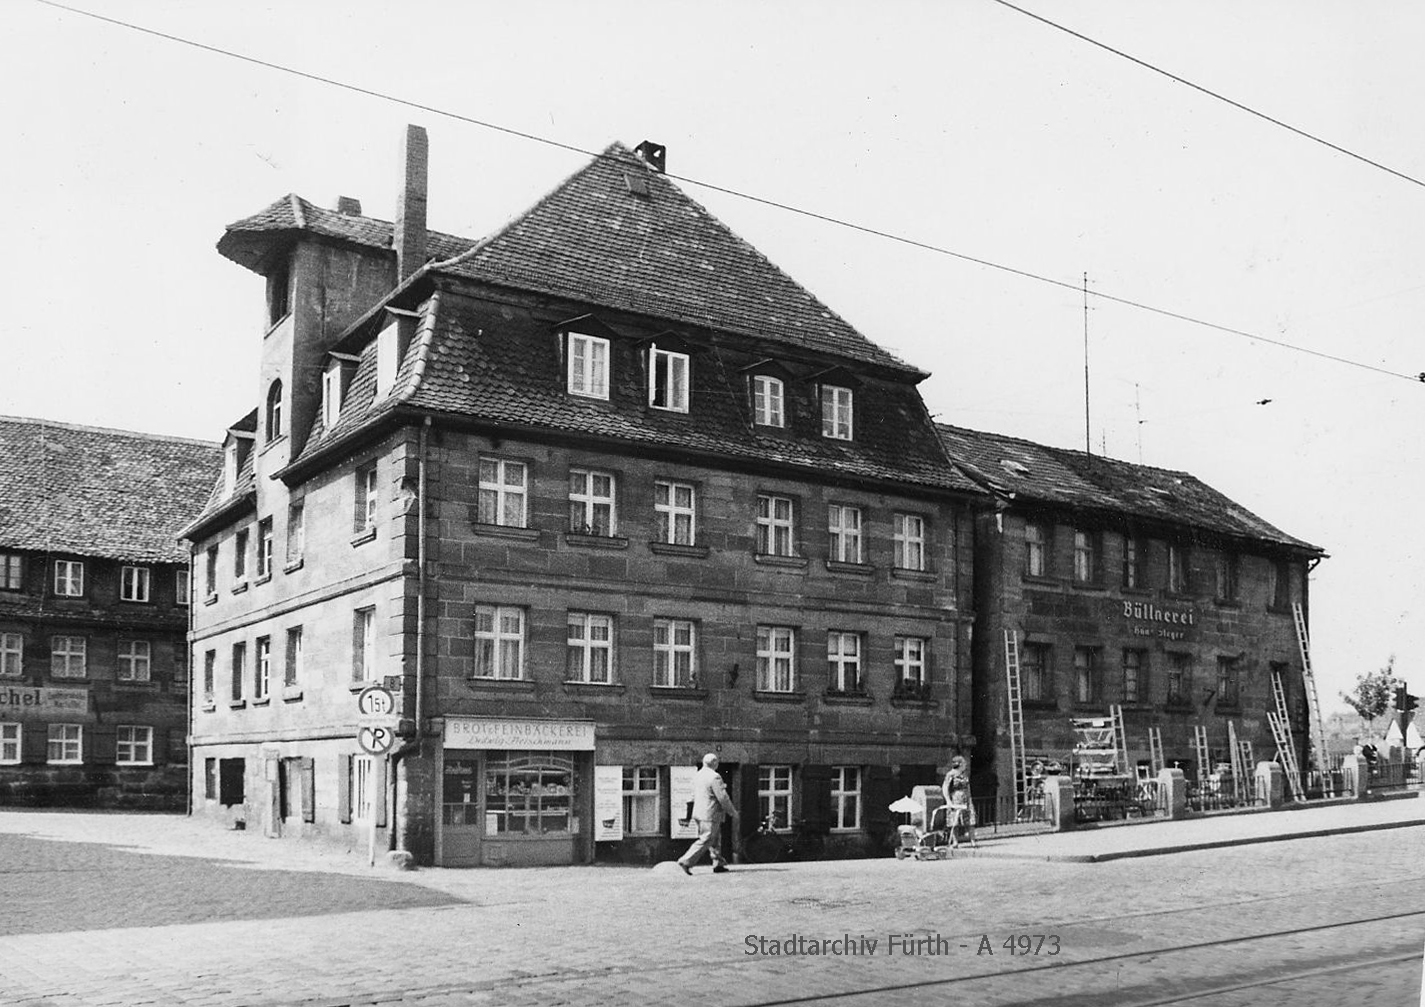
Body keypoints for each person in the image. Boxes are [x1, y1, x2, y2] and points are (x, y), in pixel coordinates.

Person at [678, 753, 738, 875]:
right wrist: (732, 811)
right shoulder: (715, 777)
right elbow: (722, 797)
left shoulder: (697, 775)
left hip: (699, 812)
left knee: (715, 839)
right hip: (710, 813)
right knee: (707, 838)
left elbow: (692, 796)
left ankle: (718, 863)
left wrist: (689, 814)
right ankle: (686, 860)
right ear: (715, 763)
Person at [941, 755, 976, 849]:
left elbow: (968, 787)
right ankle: (955, 842)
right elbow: (945, 787)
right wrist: (948, 800)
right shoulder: (950, 774)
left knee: (970, 820)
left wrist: (970, 798)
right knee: (954, 821)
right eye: (964, 763)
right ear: (960, 764)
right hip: (955, 798)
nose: (965, 765)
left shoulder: (965, 774)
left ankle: (973, 840)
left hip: (966, 799)